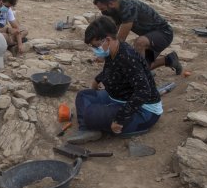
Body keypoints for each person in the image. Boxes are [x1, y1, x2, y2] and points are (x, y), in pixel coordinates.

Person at [67, 16, 163, 144]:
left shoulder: (128, 58)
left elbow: (143, 92)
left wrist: (119, 119)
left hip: (144, 112)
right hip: (120, 98)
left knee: (90, 114)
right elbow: (112, 69)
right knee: (83, 95)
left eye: (96, 46)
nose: (95, 50)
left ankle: (95, 124)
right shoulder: (114, 49)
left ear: (107, 39)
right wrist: (97, 80)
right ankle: (88, 129)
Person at [93, 0, 182, 75]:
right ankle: (169, 60)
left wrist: (105, 55)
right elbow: (112, 33)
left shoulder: (129, 8)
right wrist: (103, 49)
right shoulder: (116, 11)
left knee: (139, 43)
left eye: (103, 9)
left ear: (111, 4)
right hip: (149, 37)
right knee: (132, 67)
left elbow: (120, 40)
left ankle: (141, 74)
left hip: (164, 34)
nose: (103, 12)